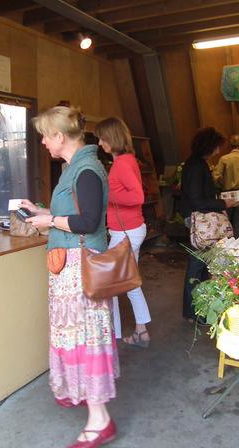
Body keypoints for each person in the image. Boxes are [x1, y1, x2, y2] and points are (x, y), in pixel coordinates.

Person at [20, 106, 117, 448]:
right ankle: (84, 395)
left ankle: (100, 420)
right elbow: (74, 213)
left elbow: (88, 221)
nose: (43, 142)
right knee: (78, 334)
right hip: (72, 265)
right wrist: (42, 212)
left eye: (45, 136)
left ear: (60, 136)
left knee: (86, 336)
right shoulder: (75, 167)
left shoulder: (86, 169)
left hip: (80, 266)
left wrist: (49, 222)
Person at [95, 117, 151, 348]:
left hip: (125, 232)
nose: (99, 143)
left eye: (102, 138)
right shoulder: (127, 160)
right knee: (129, 282)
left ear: (112, 137)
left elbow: (137, 196)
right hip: (130, 230)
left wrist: (106, 194)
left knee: (109, 284)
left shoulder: (121, 163)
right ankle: (141, 331)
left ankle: (113, 335)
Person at [180, 127, 235, 321]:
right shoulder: (197, 166)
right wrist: (222, 204)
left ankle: (200, 310)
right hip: (200, 223)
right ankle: (193, 312)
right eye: (217, 147)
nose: (218, 151)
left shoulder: (195, 163)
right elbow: (197, 200)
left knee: (202, 265)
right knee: (197, 266)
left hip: (199, 221)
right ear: (209, 146)